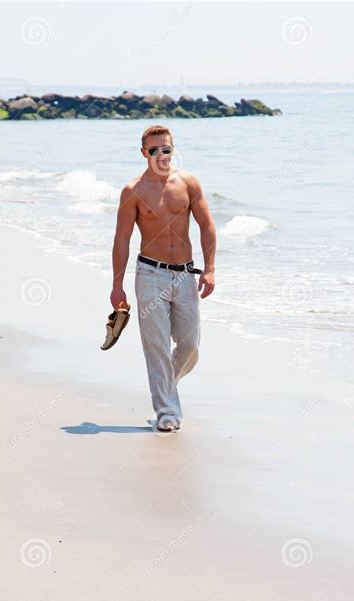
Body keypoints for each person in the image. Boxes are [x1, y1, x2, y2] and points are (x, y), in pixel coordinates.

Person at [110, 124, 216, 432]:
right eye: (154, 150)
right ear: (144, 153)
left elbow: (207, 226)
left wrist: (210, 268)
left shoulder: (188, 183)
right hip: (149, 274)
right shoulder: (133, 191)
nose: (161, 155)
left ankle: (166, 384)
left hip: (185, 275)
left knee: (190, 347)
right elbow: (121, 240)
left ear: (173, 149)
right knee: (155, 345)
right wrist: (117, 286)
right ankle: (167, 412)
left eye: (166, 149)